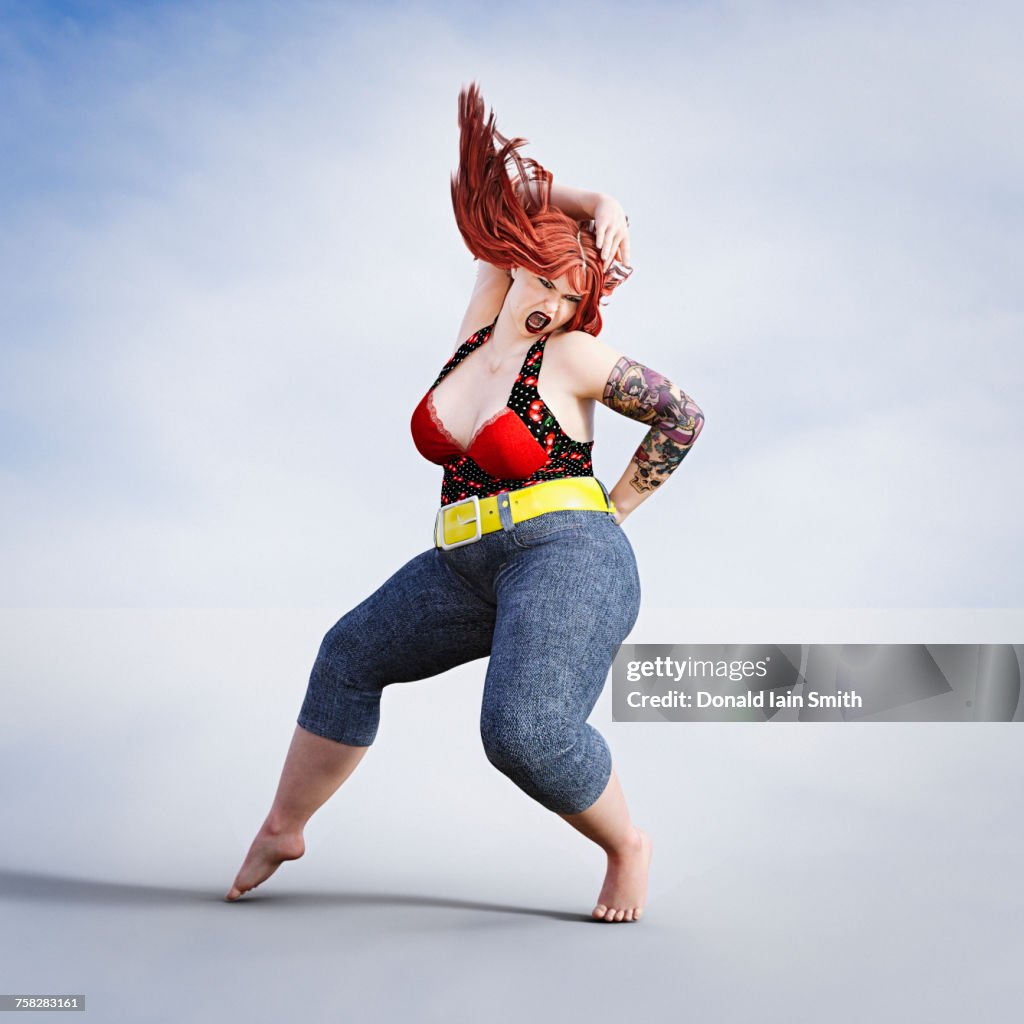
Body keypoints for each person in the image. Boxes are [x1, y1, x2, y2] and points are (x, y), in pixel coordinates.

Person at [226, 84, 705, 923]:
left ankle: (628, 843)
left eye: (572, 280)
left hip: (564, 554)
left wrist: (614, 511)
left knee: (521, 732)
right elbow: (503, 196)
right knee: (348, 654)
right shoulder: (480, 324)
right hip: (461, 563)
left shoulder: (578, 354)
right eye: (545, 268)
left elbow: (682, 416)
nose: (553, 292)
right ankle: (283, 826)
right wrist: (598, 200)